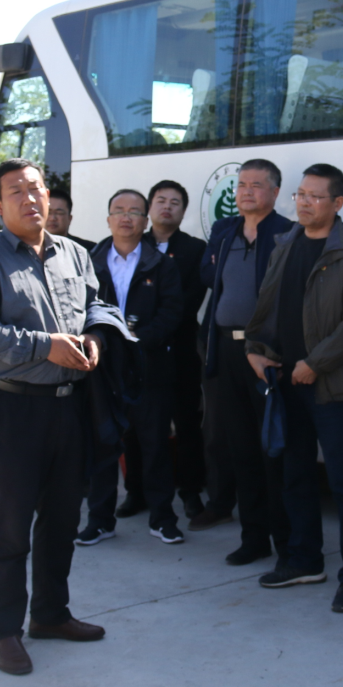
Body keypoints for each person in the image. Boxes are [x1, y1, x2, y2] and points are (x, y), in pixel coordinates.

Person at [0, 158, 115, 676]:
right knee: (9, 527)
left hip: (70, 408)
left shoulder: (75, 253)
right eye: (16, 192)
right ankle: (4, 630)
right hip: (13, 410)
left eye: (36, 188)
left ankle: (50, 614)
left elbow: (98, 306)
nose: (30, 199)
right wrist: (46, 346)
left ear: (49, 196)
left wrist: (95, 336)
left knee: (62, 520)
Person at [246, 164, 343, 613]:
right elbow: (266, 306)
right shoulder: (285, 244)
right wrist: (255, 349)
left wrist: (313, 364)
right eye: (300, 194)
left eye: (315, 196)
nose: (304, 203)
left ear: (337, 203)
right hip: (286, 381)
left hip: (331, 386)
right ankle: (304, 560)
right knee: (295, 476)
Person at [194, 160, 294, 561]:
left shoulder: (287, 233)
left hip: (265, 355)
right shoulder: (224, 231)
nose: (246, 192)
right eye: (241, 185)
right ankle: (253, 540)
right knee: (241, 450)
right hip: (225, 350)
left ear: (275, 192)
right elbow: (207, 275)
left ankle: (286, 544)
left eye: (256, 185)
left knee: (273, 451)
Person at [80, 189, 185, 545]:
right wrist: (105, 336)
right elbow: (78, 308)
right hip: (103, 369)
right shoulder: (89, 262)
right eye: (119, 210)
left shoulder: (161, 263)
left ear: (145, 220)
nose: (126, 217)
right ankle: (100, 521)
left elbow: (172, 311)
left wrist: (139, 338)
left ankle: (162, 518)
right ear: (108, 219)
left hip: (149, 366)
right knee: (103, 446)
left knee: (155, 446)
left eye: (134, 212)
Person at [142, 179, 208, 520]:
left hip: (181, 349)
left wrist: (153, 325)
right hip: (141, 352)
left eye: (175, 202)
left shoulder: (196, 249)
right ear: (149, 207)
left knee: (187, 423)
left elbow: (189, 300)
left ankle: (191, 491)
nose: (167, 207)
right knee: (140, 425)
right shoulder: (133, 244)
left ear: (183, 212)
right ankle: (137, 491)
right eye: (161, 200)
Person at [46, 186, 96, 251]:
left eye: (59, 213)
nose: (52, 218)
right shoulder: (33, 249)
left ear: (70, 218)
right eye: (48, 212)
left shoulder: (87, 249)